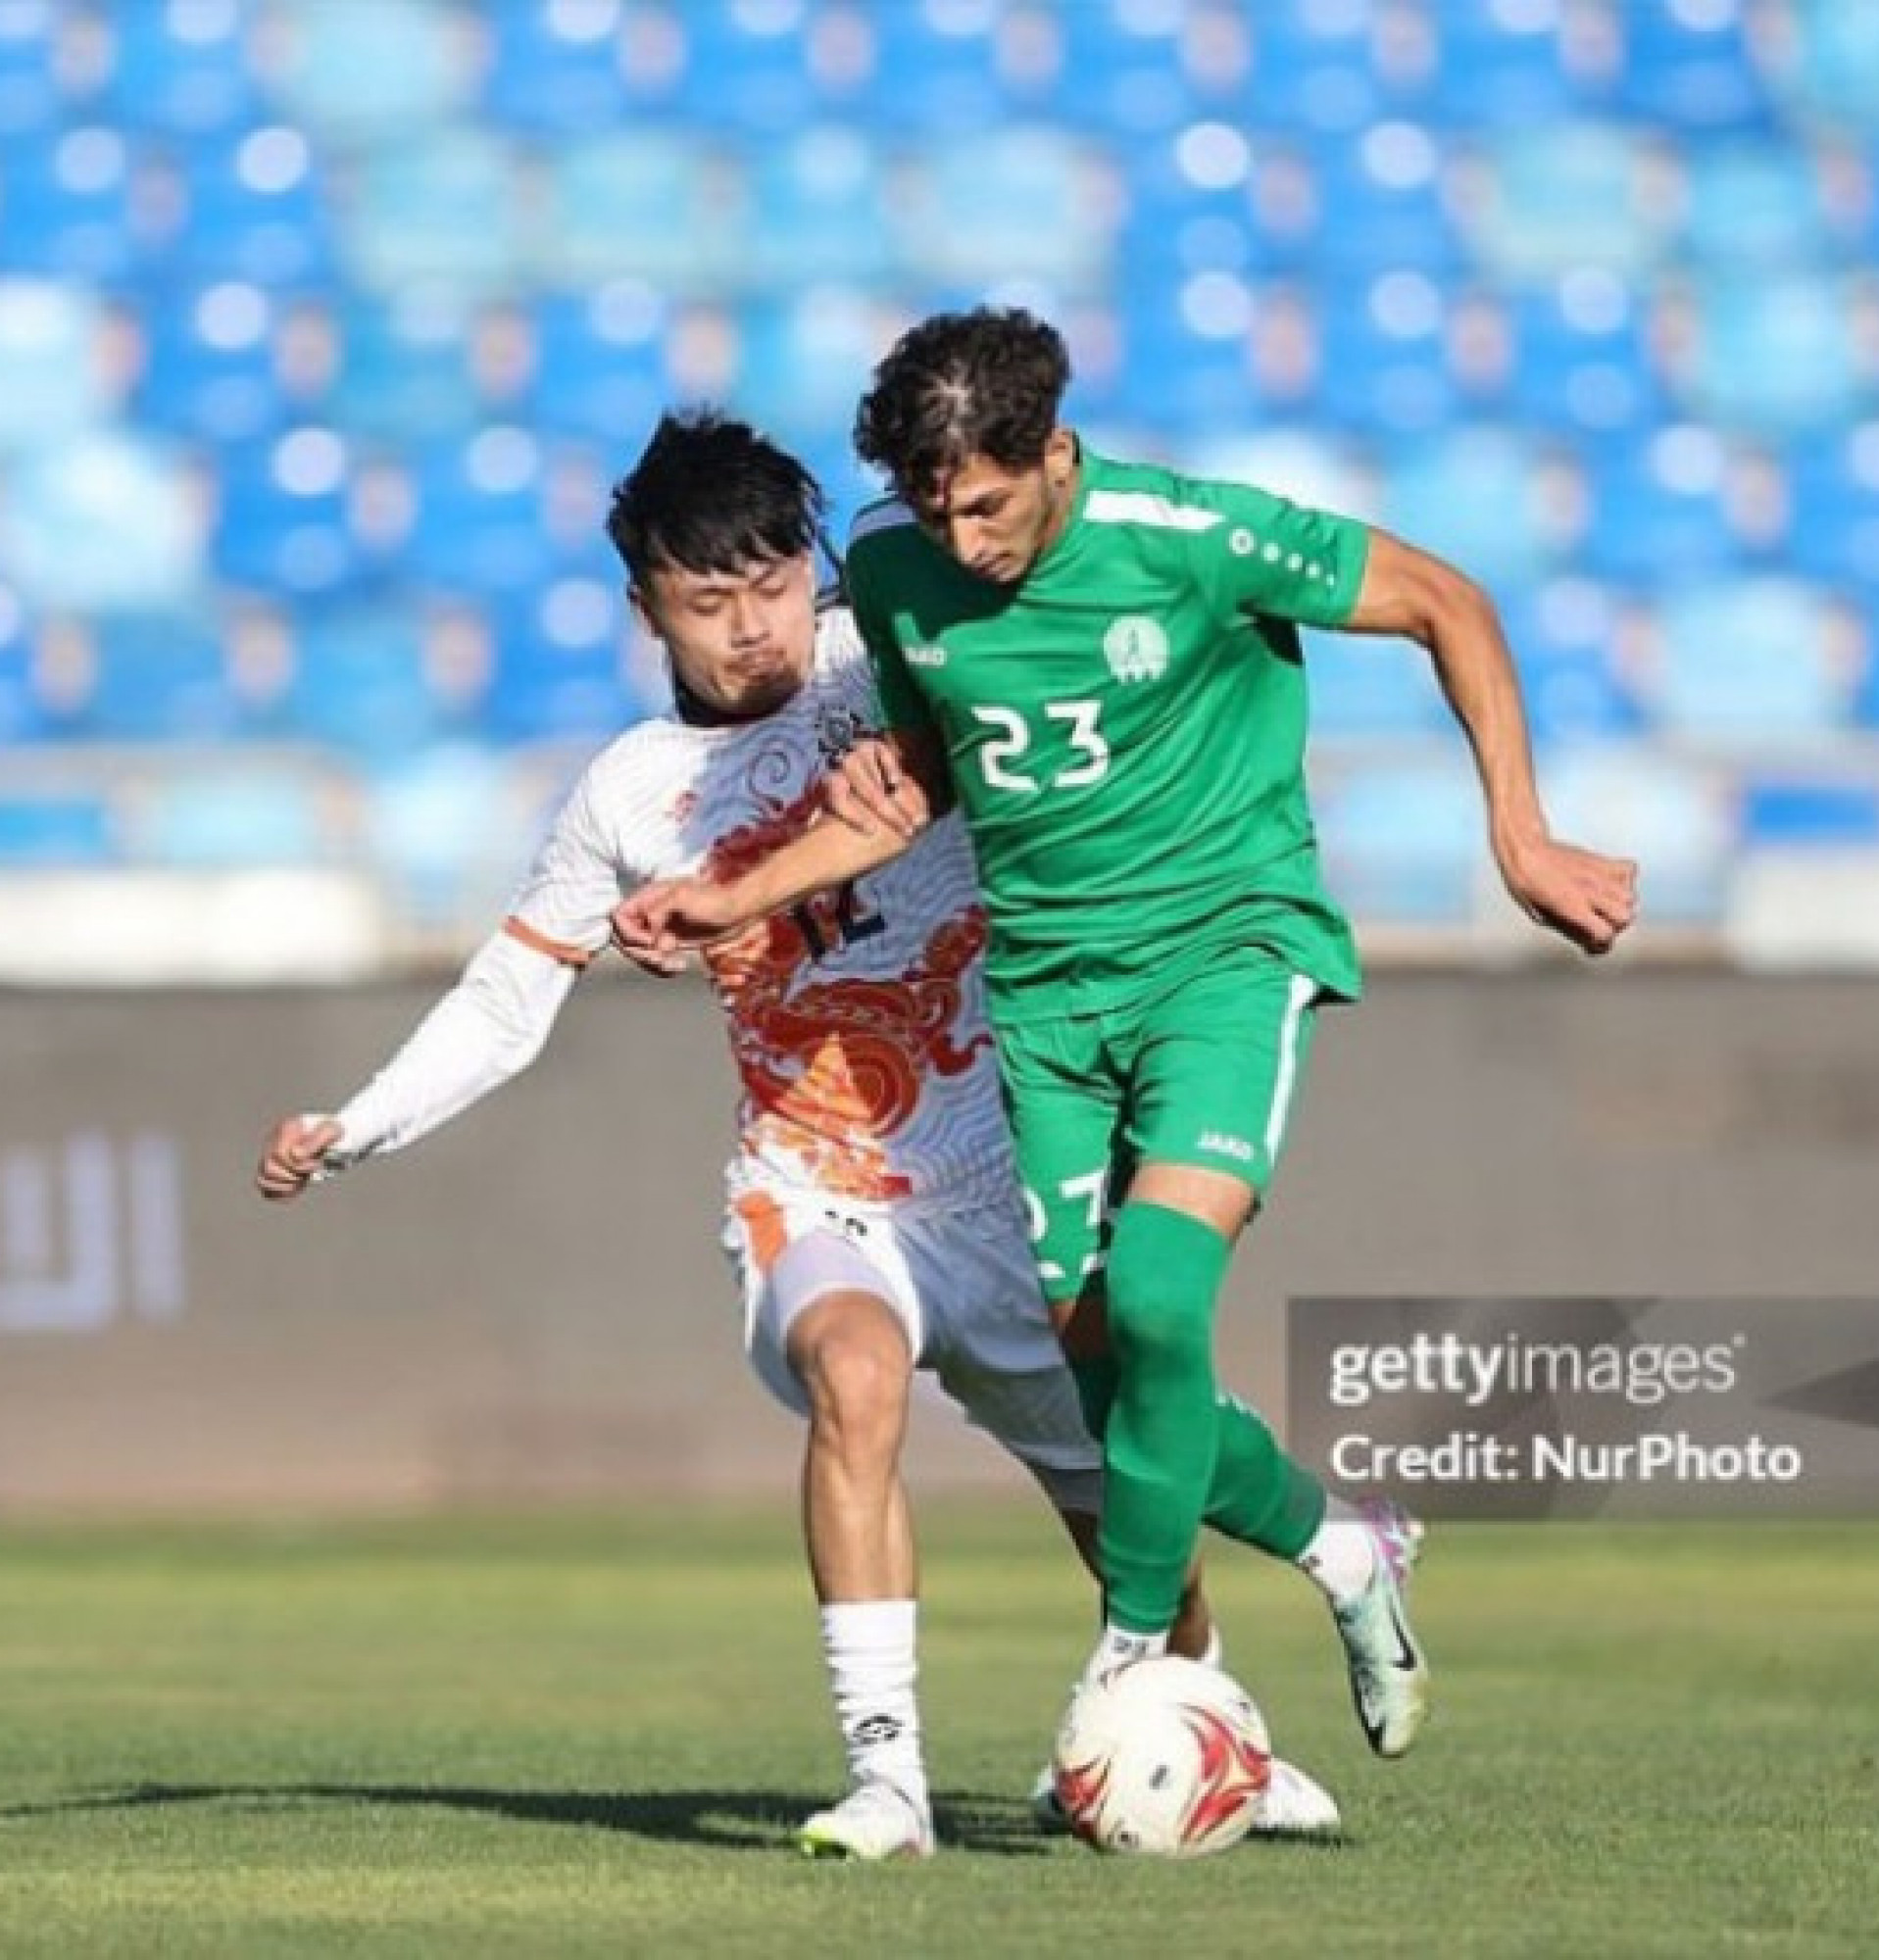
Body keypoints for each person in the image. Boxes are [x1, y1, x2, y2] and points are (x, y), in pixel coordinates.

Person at [257, 408, 1339, 1862]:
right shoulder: (631, 794)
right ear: (646, 604)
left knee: (1122, 1497)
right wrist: (360, 1123)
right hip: (816, 1182)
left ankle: (1205, 1726)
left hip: (1010, 1166)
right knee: (856, 1370)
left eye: (774, 583)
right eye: (710, 602)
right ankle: (889, 1782)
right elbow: (512, 992)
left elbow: (1071, 709)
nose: (753, 628)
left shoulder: (884, 659)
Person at [612, 310, 1642, 1764]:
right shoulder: (903, 577)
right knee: (1104, 1373)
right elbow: (912, 781)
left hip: (1224, 955)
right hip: (1045, 1001)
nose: (962, 541)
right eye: (931, 507)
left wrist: (1521, 838)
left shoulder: (1191, 535)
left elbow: (1446, 601)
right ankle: (1348, 1548)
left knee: (1160, 1290)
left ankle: (1131, 1657)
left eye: (987, 502)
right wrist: (733, 894)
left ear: (1054, 452)